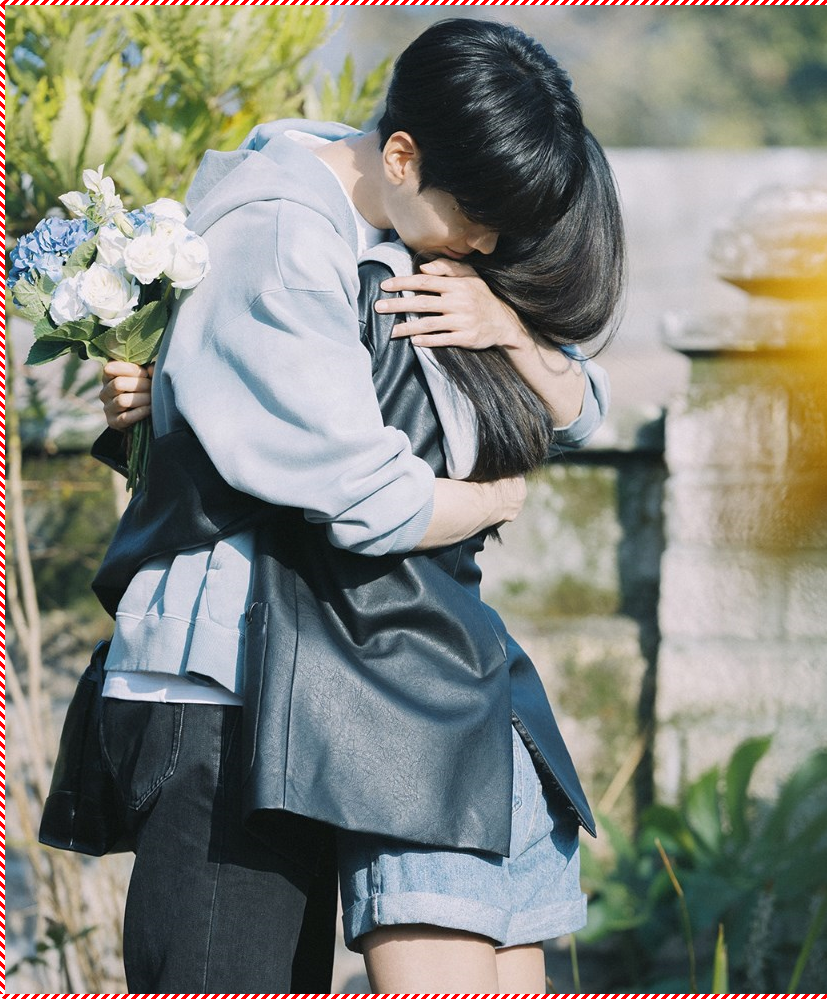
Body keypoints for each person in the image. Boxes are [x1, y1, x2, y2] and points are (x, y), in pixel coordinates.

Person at [92, 18, 623, 992]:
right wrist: (497, 496)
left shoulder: (388, 221)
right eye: (479, 218)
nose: (487, 244)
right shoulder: (284, 235)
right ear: (402, 156)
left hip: (305, 676)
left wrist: (509, 329)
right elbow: (369, 499)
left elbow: (582, 408)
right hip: (220, 680)